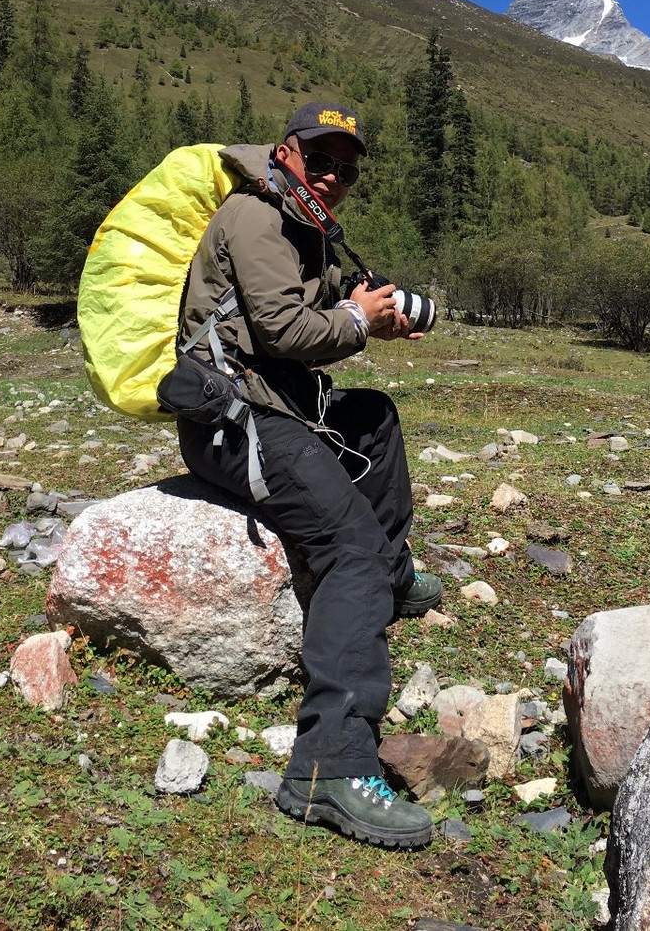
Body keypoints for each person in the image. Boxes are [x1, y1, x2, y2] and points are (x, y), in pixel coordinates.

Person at [175, 101, 442, 849]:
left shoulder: (305, 225)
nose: (330, 176)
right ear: (285, 154)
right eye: (318, 160)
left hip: (284, 410)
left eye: (344, 170)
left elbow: (310, 322)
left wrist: (373, 313)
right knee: (346, 550)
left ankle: (389, 580)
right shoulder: (257, 217)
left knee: (375, 420)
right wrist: (358, 322)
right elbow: (286, 332)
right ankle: (328, 766)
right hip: (235, 425)